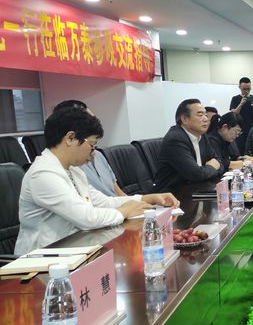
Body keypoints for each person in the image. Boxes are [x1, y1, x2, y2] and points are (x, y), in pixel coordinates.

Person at [15, 108, 179, 255]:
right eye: (92, 145)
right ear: (70, 138)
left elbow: (104, 202)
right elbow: (87, 218)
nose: (93, 153)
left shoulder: (74, 171)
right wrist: (124, 211)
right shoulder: (43, 174)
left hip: (74, 250)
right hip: (42, 262)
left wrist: (147, 198)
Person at [52, 100, 126, 197]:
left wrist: (138, 202)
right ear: (70, 136)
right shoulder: (68, 167)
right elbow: (89, 204)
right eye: (89, 121)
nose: (94, 124)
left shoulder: (99, 155)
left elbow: (118, 193)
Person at [154, 99, 223, 192]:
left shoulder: (202, 136)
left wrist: (209, 170)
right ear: (184, 119)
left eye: (206, 115)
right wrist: (212, 167)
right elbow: (195, 174)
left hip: (196, 189)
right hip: (172, 194)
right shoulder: (175, 139)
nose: (206, 119)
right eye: (200, 115)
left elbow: (219, 163)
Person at [229, 77, 253, 154]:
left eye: (248, 89)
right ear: (239, 87)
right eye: (244, 89)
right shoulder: (235, 98)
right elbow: (233, 114)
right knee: (240, 152)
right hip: (239, 131)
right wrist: (241, 104)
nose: (246, 91)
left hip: (252, 130)